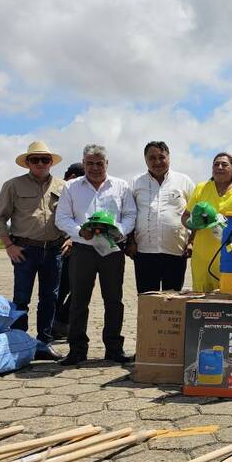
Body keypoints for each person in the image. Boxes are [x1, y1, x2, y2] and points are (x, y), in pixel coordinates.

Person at [55, 144, 137, 366]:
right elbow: (62, 217)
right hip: (83, 249)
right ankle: (77, 349)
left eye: (99, 163)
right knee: (78, 301)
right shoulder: (71, 187)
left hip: (112, 250)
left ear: (107, 164)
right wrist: (78, 231)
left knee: (114, 300)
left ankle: (114, 348)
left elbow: (130, 215)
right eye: (89, 163)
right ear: (83, 164)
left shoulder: (121, 186)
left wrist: (119, 230)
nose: (94, 168)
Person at [0, 141, 66, 361]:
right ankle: (19, 342)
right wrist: (8, 245)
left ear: (51, 162)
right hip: (25, 250)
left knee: (50, 298)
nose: (40, 163)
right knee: (21, 298)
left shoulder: (63, 187)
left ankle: (44, 342)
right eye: (35, 159)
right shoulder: (13, 185)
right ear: (27, 163)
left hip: (54, 250)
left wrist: (69, 239)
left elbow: (71, 216)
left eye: (45, 159)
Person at [182, 152, 232, 292]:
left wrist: (227, 223)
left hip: (231, 256)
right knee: (200, 300)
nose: (219, 167)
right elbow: (185, 217)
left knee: (227, 300)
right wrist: (193, 223)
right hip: (202, 257)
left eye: (224, 164)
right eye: (216, 164)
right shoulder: (201, 188)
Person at [127, 141, 194, 293]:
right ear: (145, 160)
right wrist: (130, 241)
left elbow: (195, 214)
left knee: (172, 301)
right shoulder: (136, 183)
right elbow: (129, 214)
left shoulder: (184, 181)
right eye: (152, 158)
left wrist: (192, 242)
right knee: (147, 300)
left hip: (176, 251)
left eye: (161, 157)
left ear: (169, 158)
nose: (157, 162)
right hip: (144, 252)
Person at [51, 162, 86, 340]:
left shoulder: (79, 192)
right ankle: (56, 324)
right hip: (60, 247)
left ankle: (59, 322)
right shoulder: (61, 189)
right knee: (61, 288)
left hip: (74, 245)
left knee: (73, 289)